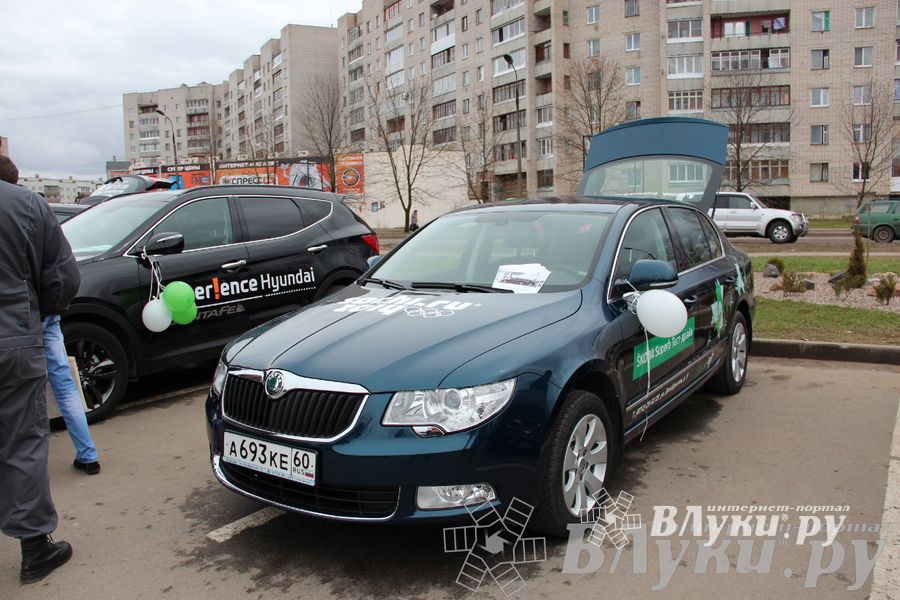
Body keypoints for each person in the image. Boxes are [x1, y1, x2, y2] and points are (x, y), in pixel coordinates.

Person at [0, 155, 81, 584]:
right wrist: (41, 311)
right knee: (22, 442)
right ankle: (35, 549)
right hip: (12, 337)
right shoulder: (26, 205)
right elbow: (63, 276)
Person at [43, 315, 101, 475]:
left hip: (17, 323)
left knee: (25, 393)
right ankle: (88, 456)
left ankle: (31, 463)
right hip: (48, 316)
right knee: (66, 390)